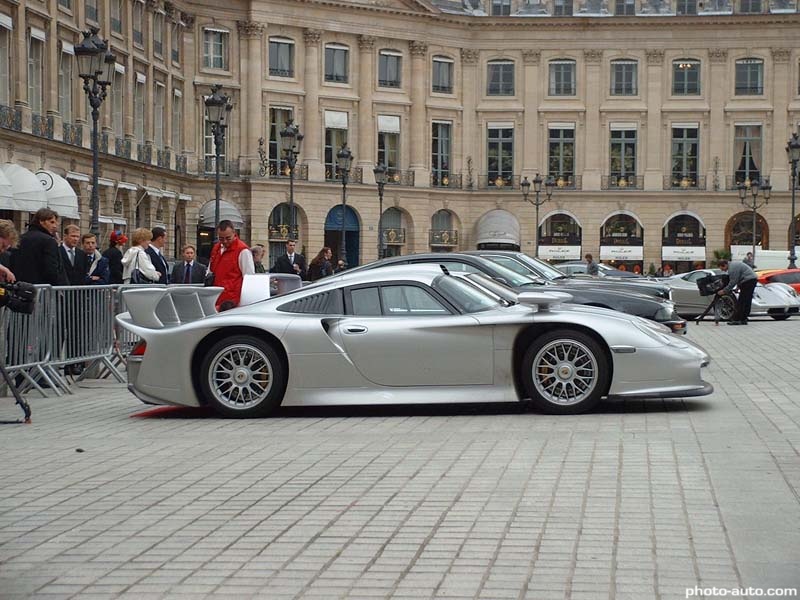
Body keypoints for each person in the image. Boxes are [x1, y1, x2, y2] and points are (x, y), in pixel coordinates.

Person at [12, 208, 68, 285]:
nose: (55, 226)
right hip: (42, 287)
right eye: (51, 222)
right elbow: (51, 269)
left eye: (56, 223)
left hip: (20, 286)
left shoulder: (20, 238)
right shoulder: (49, 241)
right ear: (41, 221)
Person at [209, 220, 254, 311]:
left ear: (234, 233)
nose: (225, 241)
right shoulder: (216, 248)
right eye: (221, 238)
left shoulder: (243, 250)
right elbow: (211, 270)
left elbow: (249, 278)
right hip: (217, 297)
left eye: (228, 238)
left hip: (232, 301)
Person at [717, 258, 758, 326]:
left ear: (724, 265)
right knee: (747, 300)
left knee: (741, 301)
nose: (722, 270)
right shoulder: (733, 264)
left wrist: (724, 291)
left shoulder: (732, 268)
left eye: (722, 268)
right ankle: (743, 319)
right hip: (752, 280)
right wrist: (738, 287)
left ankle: (737, 319)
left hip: (748, 281)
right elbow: (740, 277)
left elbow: (733, 281)